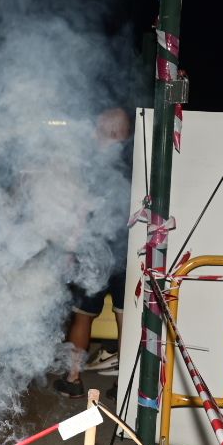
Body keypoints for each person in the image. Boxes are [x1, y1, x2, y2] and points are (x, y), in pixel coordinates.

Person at [54, 107, 132, 398]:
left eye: (97, 127)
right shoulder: (135, 163)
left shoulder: (92, 164)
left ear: (110, 130)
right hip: (127, 251)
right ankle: (125, 384)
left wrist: (70, 249)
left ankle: (73, 378)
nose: (92, 133)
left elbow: (81, 210)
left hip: (93, 252)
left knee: (83, 316)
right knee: (126, 318)